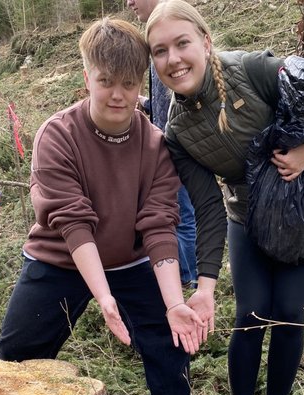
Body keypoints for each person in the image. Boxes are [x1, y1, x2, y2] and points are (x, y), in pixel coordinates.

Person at [0, 17, 203, 395]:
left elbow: (160, 226)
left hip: (131, 260)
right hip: (60, 258)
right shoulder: (58, 135)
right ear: (86, 76)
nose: (117, 94)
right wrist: (103, 296)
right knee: (17, 350)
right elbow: (72, 220)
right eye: (105, 81)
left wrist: (174, 303)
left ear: (141, 83)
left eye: (128, 84)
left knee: (167, 334)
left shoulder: (155, 146)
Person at [146, 0, 304, 395]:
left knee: (290, 312)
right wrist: (206, 285)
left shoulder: (252, 70)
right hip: (245, 218)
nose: (173, 59)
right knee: (251, 315)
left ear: (205, 41)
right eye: (159, 51)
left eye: (181, 43)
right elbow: (208, 209)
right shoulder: (177, 133)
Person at [126, 0, 198, 288]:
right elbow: (162, 103)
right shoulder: (156, 36)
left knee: (182, 215)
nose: (129, 3)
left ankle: (186, 276)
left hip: (177, 149)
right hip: (165, 146)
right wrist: (141, 102)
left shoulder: (169, 34)